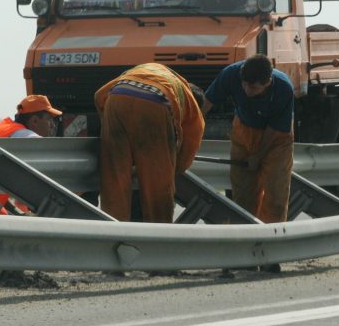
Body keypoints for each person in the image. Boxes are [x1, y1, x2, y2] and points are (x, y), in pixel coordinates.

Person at [94, 63, 205, 223]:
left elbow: (99, 96)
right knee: (158, 183)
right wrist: (177, 166)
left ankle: (114, 228)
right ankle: (158, 233)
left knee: (115, 179)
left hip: (116, 100)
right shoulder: (188, 99)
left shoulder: (149, 70)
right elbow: (193, 136)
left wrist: (109, 125)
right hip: (155, 104)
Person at [203, 54, 295, 223]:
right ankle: (244, 238)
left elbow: (275, 130)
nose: (246, 90)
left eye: (253, 88)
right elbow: (207, 102)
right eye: (244, 84)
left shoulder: (283, 88)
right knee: (243, 198)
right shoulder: (231, 74)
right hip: (244, 132)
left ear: (267, 82)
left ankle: (270, 240)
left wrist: (258, 156)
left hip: (275, 141)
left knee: (275, 198)